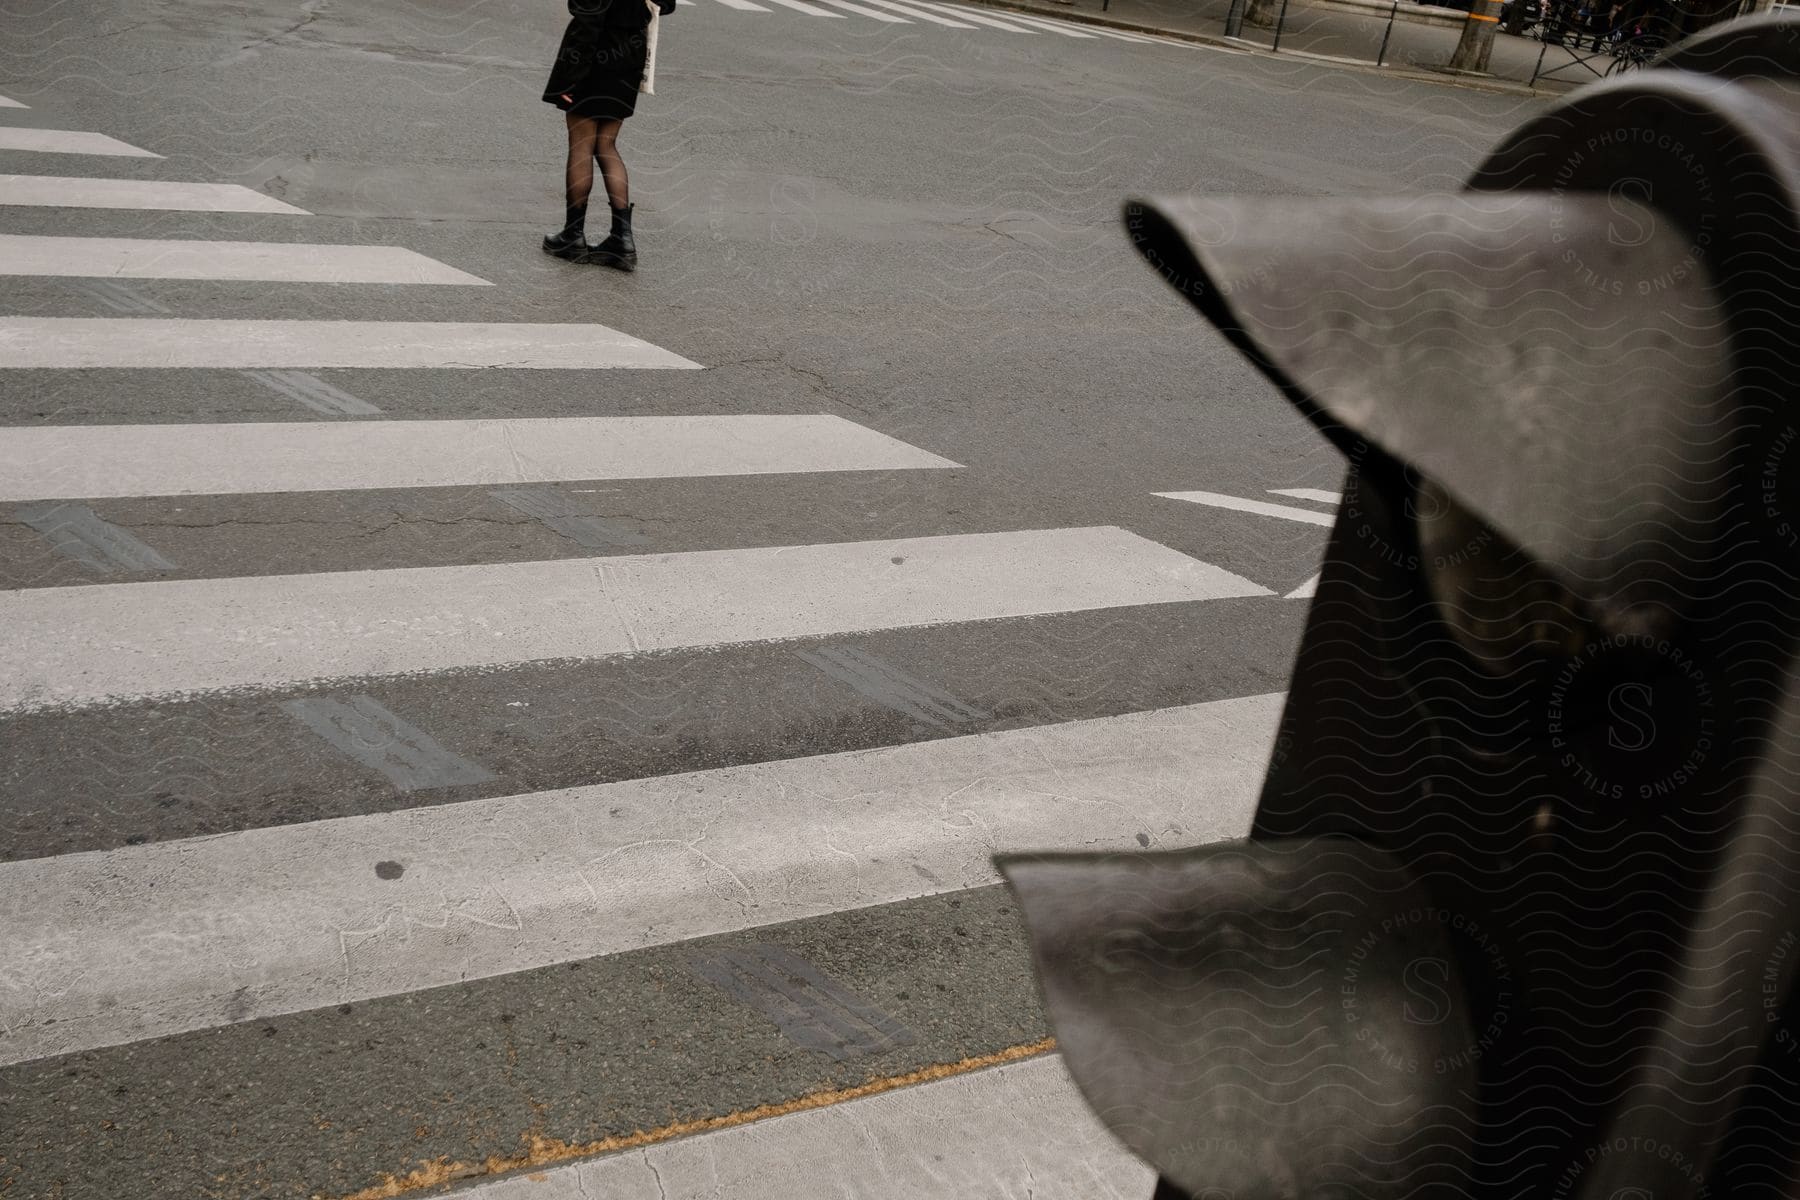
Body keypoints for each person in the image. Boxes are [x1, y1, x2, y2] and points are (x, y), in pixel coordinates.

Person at [541, 0, 672, 271]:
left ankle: (573, 235)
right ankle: (621, 239)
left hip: (594, 55)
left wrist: (571, 76)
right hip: (629, 55)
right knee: (606, 144)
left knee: (581, 143)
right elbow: (666, 4)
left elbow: (589, 16)